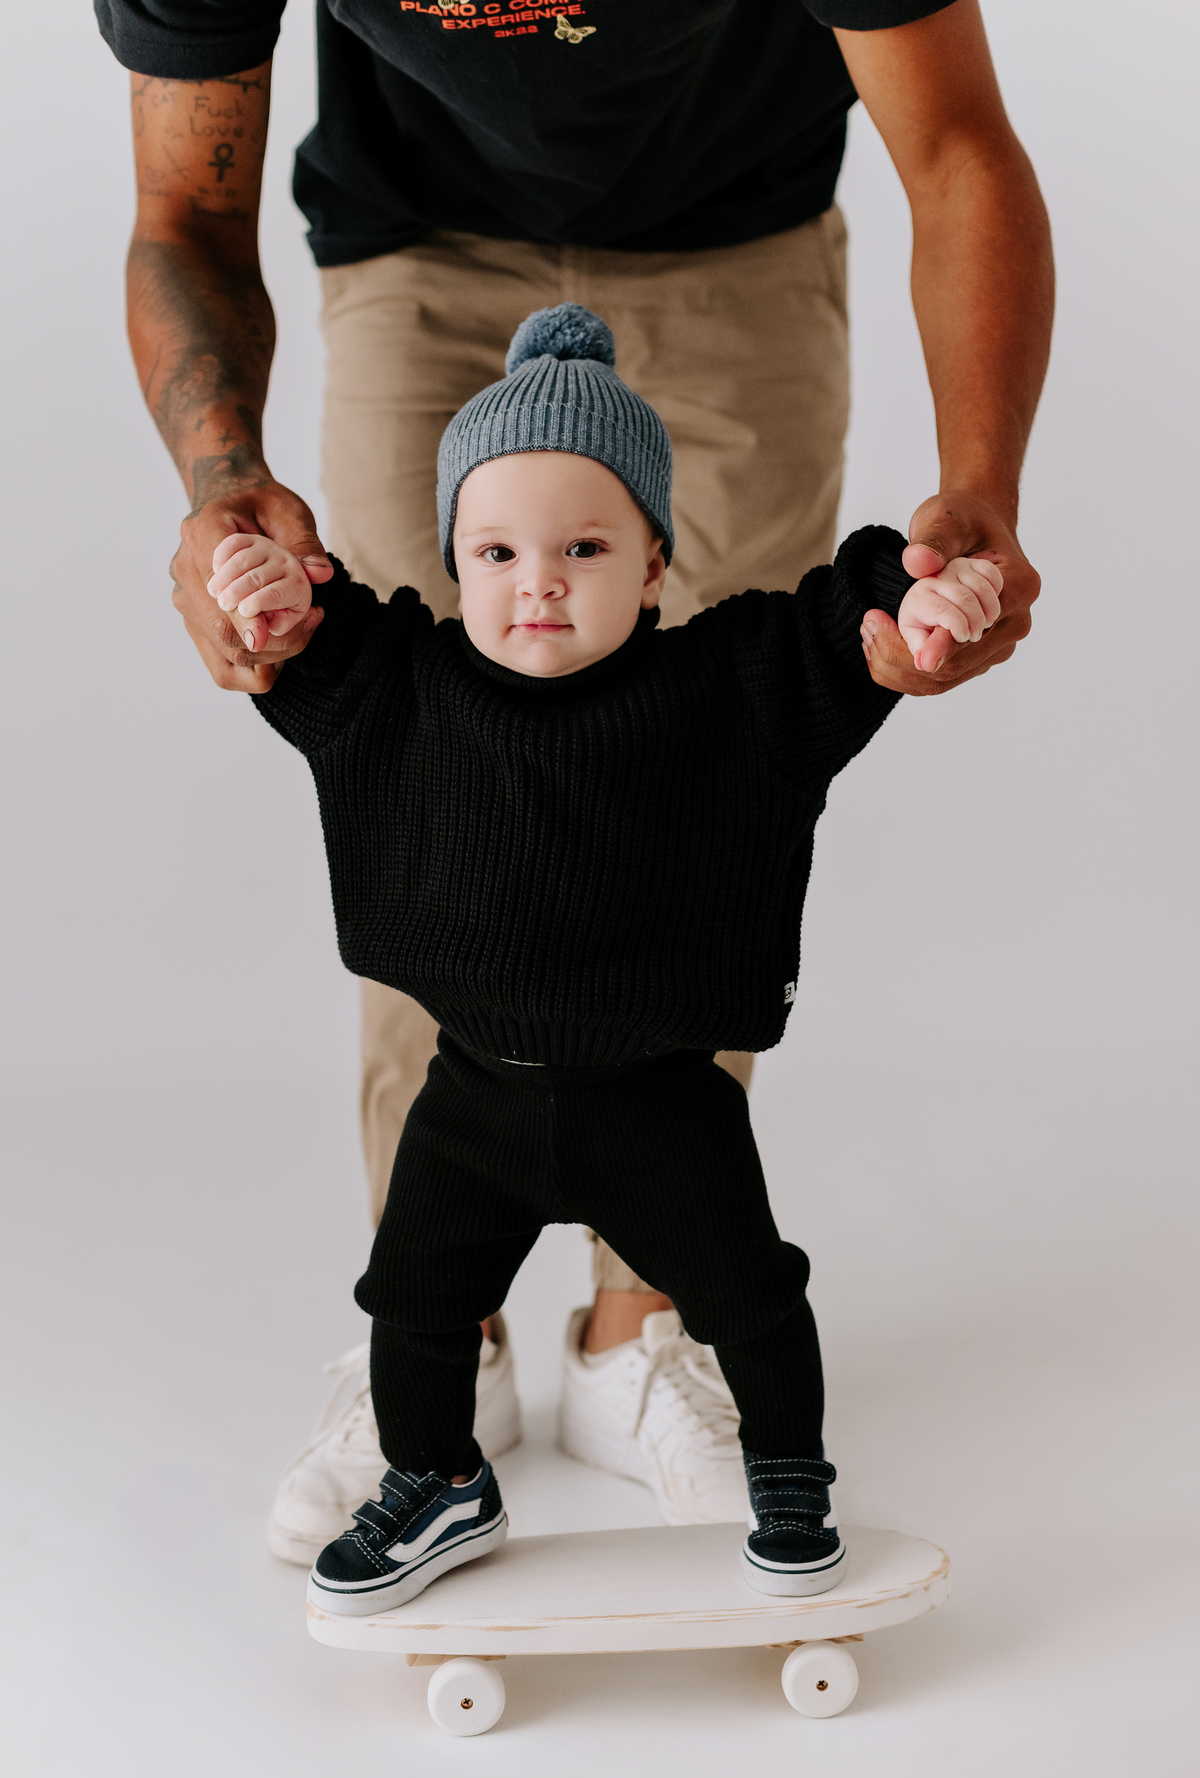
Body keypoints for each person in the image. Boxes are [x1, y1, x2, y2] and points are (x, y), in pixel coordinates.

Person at [99, 0, 1051, 1544]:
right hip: (415, 238)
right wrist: (224, 490)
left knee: (714, 773)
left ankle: (644, 1333)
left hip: (736, 238)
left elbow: (952, 147)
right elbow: (184, 208)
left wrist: (979, 495)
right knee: (419, 774)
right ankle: (437, 1352)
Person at [209, 303, 1002, 1611]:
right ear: (454, 562)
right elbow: (310, 637)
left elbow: (833, 621)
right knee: (410, 1302)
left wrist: (917, 593)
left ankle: (789, 1471)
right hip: (476, 1101)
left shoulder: (724, 686)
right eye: (497, 551)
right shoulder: (407, 685)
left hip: (660, 1102)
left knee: (752, 1297)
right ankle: (435, 1480)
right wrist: (269, 593)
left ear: (652, 565)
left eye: (584, 547)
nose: (539, 581)